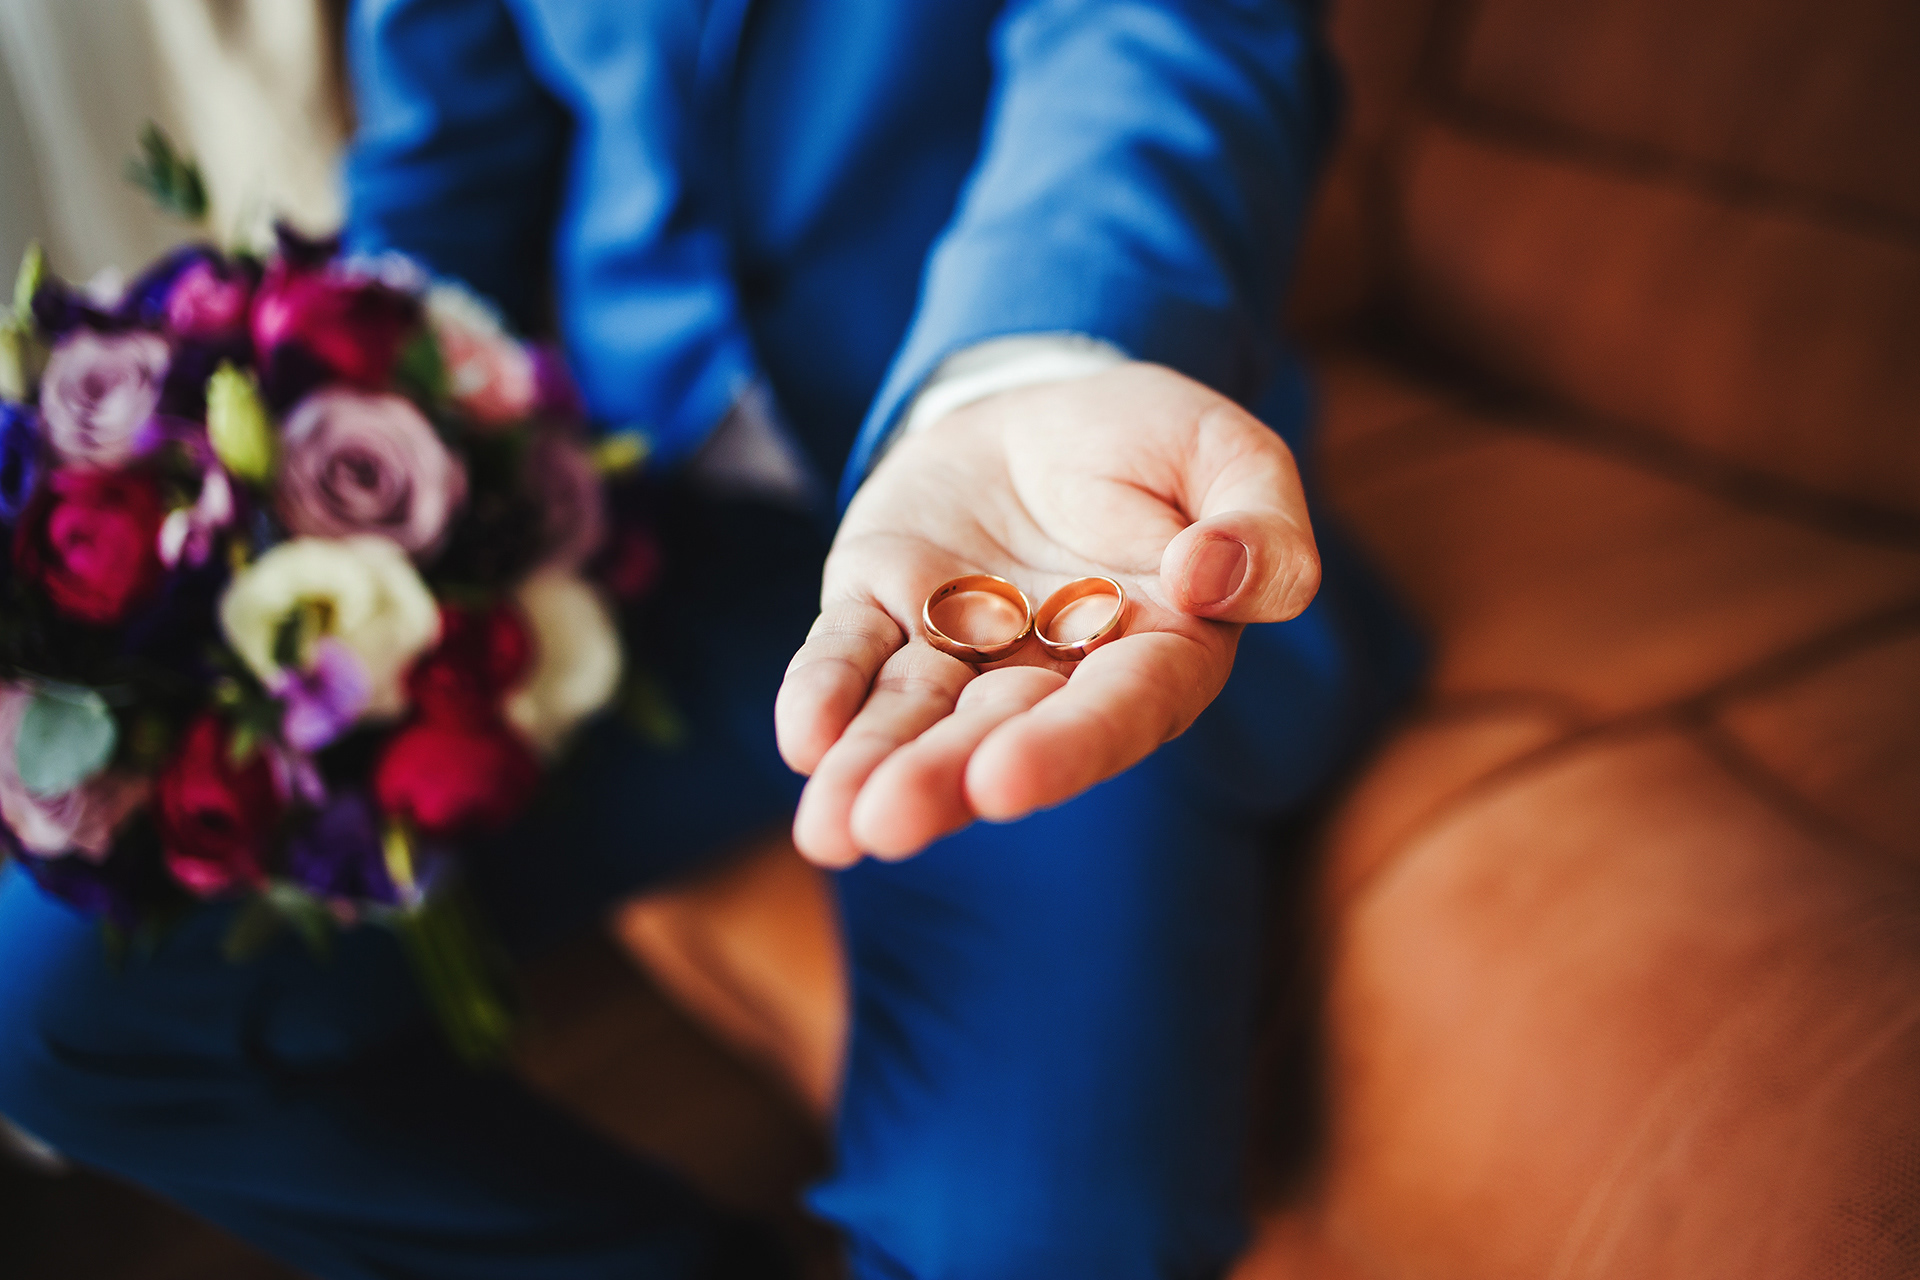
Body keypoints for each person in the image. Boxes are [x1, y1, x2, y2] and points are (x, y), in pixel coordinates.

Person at [0, 2, 1422, 1277]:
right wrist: (319, 478)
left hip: (1034, 535)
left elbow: (1163, 33)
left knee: (1029, 1241)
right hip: (637, 522)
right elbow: (451, 164)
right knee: (56, 1003)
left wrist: (1018, 363)